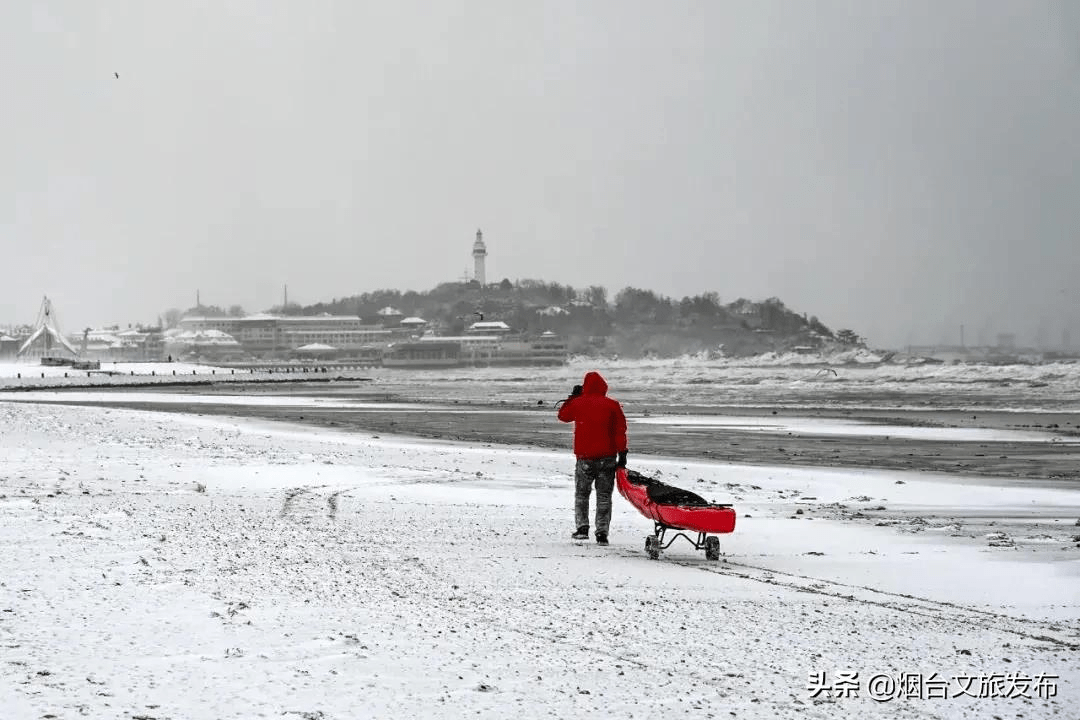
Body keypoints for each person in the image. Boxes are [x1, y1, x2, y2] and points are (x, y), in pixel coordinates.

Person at [556, 371, 628, 545]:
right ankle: (602, 533)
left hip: (585, 457)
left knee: (582, 494)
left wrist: (573, 397)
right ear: (603, 386)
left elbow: (563, 416)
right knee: (604, 496)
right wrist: (623, 453)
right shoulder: (612, 405)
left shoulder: (579, 403)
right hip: (608, 457)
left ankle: (582, 529)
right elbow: (620, 431)